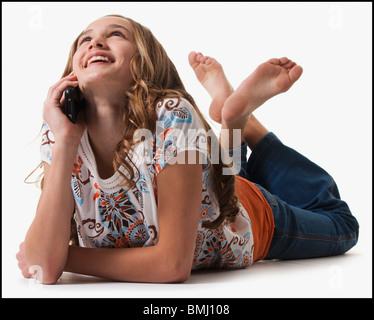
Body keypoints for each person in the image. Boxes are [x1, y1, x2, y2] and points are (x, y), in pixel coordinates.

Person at [16, 14, 359, 284]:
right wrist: (65, 142)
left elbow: (171, 265)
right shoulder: (62, 128)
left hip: (246, 216)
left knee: (343, 224)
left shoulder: (172, 114)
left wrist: (61, 256)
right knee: (228, 172)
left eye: (116, 34)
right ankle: (234, 118)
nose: (96, 42)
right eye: (84, 40)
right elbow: (43, 268)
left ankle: (247, 126)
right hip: (209, 186)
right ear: (73, 70)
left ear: (144, 60)